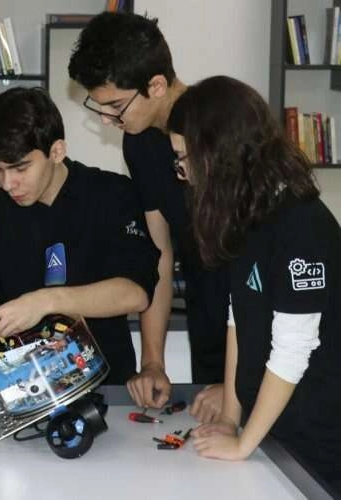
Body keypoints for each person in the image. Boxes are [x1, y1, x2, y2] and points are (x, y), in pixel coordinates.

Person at [168, 75, 341, 496]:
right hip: (271, 432)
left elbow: (293, 350)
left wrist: (244, 442)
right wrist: (230, 417)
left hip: (315, 441)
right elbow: (239, 320)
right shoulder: (247, 216)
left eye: (184, 159)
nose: (184, 173)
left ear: (218, 154)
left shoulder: (301, 225)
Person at [68, 11, 229, 420]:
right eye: (100, 106)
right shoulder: (139, 143)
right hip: (209, 314)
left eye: (115, 106)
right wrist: (153, 362)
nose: (107, 119)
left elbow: (261, 265)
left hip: (263, 326)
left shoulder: (223, 128)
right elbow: (158, 253)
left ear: (156, 85)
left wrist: (237, 382)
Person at [0, 87, 160, 387]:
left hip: (101, 383)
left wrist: (45, 302)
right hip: (12, 387)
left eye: (20, 168)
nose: (8, 183)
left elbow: (135, 292)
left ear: (57, 151)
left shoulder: (111, 195)